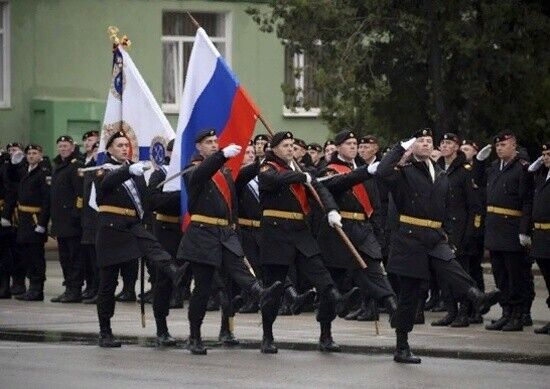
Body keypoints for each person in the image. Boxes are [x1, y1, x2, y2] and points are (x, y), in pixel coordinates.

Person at [377, 128, 500, 364]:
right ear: (412, 147)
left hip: (434, 234)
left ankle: (476, 296)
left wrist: (450, 237)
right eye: (420, 141)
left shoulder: (440, 174)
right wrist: (401, 147)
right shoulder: (403, 171)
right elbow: (382, 172)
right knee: (410, 296)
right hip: (410, 237)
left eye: (428, 141)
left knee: (451, 266)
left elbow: (447, 209)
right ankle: (401, 346)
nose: (425, 144)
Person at [176, 129, 283, 355]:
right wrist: (222, 155)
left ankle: (260, 293)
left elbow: (241, 179)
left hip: (225, 232)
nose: (214, 145)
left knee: (240, 269)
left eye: (216, 141)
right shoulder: (192, 171)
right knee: (203, 289)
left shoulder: (224, 172)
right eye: (208, 142)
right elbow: (203, 172)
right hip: (202, 234)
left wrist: (265, 159)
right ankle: (194, 335)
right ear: (198, 147)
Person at [258, 131, 359, 354]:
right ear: (274, 149)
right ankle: (267, 335)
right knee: (274, 288)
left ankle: (329, 325)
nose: (289, 149)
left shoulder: (301, 170)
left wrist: (332, 210)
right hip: (276, 232)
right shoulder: (269, 166)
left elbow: (321, 191)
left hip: (300, 232)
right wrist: (300, 177)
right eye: (285, 145)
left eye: (292, 145)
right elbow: (272, 180)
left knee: (322, 276)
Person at [93, 130, 186, 348]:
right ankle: (105, 330)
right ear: (109, 149)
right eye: (119, 145)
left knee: (154, 247)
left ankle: (173, 271)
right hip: (111, 229)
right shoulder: (102, 170)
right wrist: (127, 170)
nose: (125, 148)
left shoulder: (135, 172)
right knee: (108, 282)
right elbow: (106, 184)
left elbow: (148, 202)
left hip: (134, 225)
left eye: (127, 145)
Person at [318, 130, 397, 325]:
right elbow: (336, 184)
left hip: (363, 228)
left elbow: (375, 205)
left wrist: (378, 234)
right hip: (340, 230)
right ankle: (325, 332)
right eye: (348, 144)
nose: (353, 147)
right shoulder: (330, 170)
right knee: (334, 282)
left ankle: (394, 307)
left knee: (375, 272)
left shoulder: (365, 169)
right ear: (338, 148)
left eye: (355, 143)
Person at [474, 131, 533, 332]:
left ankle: (518, 314)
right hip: (494, 227)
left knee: (514, 274)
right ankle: (506, 312)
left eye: (504, 145)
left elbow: (527, 201)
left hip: (511, 227)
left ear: (514, 146)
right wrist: (480, 162)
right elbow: (479, 182)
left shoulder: (521, 168)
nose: (499, 148)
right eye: (497, 146)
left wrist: (524, 229)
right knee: (501, 275)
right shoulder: (494, 168)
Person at [432, 133, 482, 327]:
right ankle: (451, 311)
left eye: (449, 143)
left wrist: (470, 232)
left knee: (461, 273)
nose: (444, 146)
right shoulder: (437, 169)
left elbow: (474, 206)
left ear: (457, 147)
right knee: (444, 274)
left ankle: (464, 312)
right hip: (441, 228)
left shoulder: (464, 171)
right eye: (442, 143)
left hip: (460, 230)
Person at [9, 145, 51, 301]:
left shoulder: (42, 173)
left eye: (35, 153)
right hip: (24, 220)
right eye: (29, 153)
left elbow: (47, 201)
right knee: (26, 256)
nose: (31, 156)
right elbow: (11, 175)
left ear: (41, 155)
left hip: (35, 220)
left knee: (36, 257)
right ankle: (31, 288)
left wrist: (42, 223)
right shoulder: (26, 170)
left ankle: (37, 289)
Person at [50, 135, 84, 303]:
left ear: (72, 147)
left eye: (65, 146)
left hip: (71, 222)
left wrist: (75, 214)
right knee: (64, 258)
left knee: (74, 257)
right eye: (60, 146)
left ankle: (75, 289)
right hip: (60, 220)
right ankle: (69, 288)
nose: (63, 149)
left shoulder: (74, 166)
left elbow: (80, 193)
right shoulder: (58, 166)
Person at [527, 143, 550, 334]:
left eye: (549, 154)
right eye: (543, 154)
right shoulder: (542, 176)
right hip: (542, 236)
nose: (545, 158)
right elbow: (529, 171)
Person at [0, 142, 26, 297]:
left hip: (10, 212)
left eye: (14, 150)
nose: (11, 152)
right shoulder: (4, 163)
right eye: (9, 150)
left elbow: (11, 189)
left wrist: (6, 214)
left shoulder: (17, 165)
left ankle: (14, 283)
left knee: (13, 251)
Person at [80, 133, 100, 303]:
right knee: (88, 258)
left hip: (98, 221)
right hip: (87, 220)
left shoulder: (102, 170)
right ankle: (92, 287)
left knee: (98, 259)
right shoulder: (89, 169)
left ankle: (99, 290)